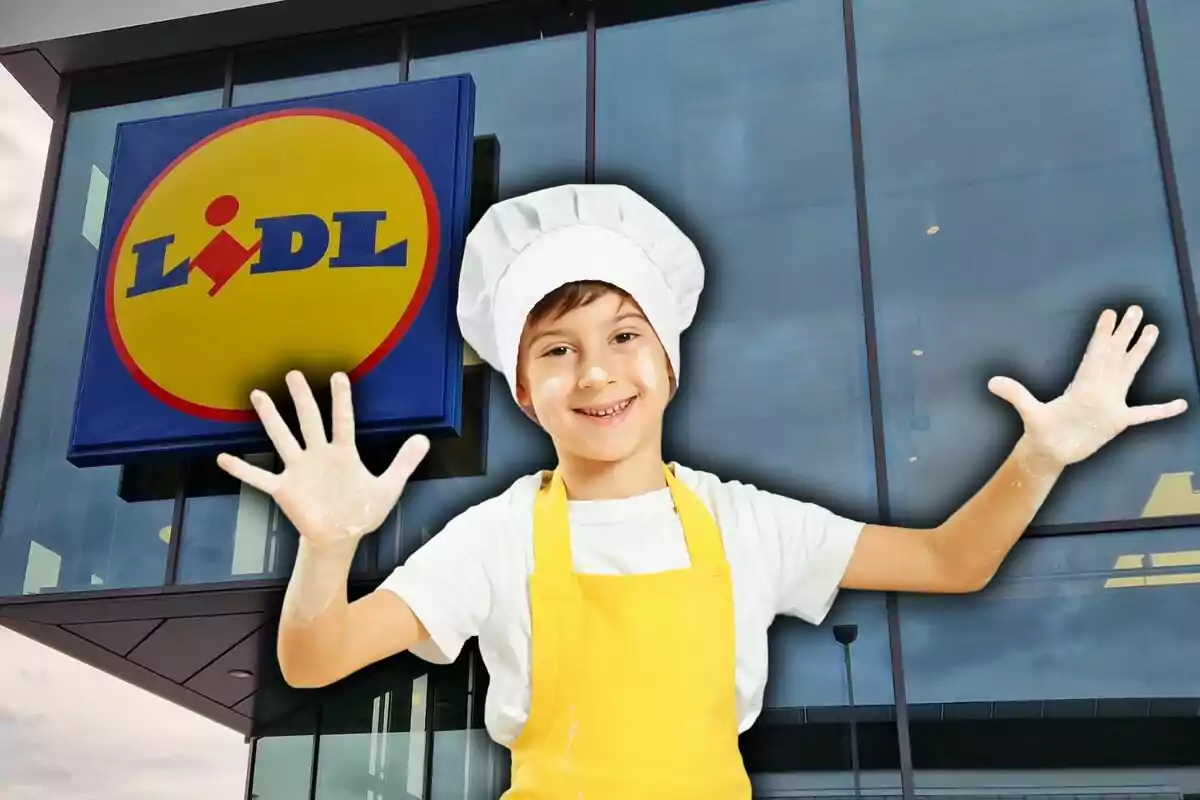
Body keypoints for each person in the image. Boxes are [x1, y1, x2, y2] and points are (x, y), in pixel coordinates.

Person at [216, 184, 1188, 798]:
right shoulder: (496, 537)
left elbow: (952, 559)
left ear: (669, 361)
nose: (595, 373)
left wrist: (1044, 455)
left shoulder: (747, 523)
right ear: (524, 390)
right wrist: (329, 542)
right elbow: (313, 657)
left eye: (623, 335)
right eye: (557, 350)